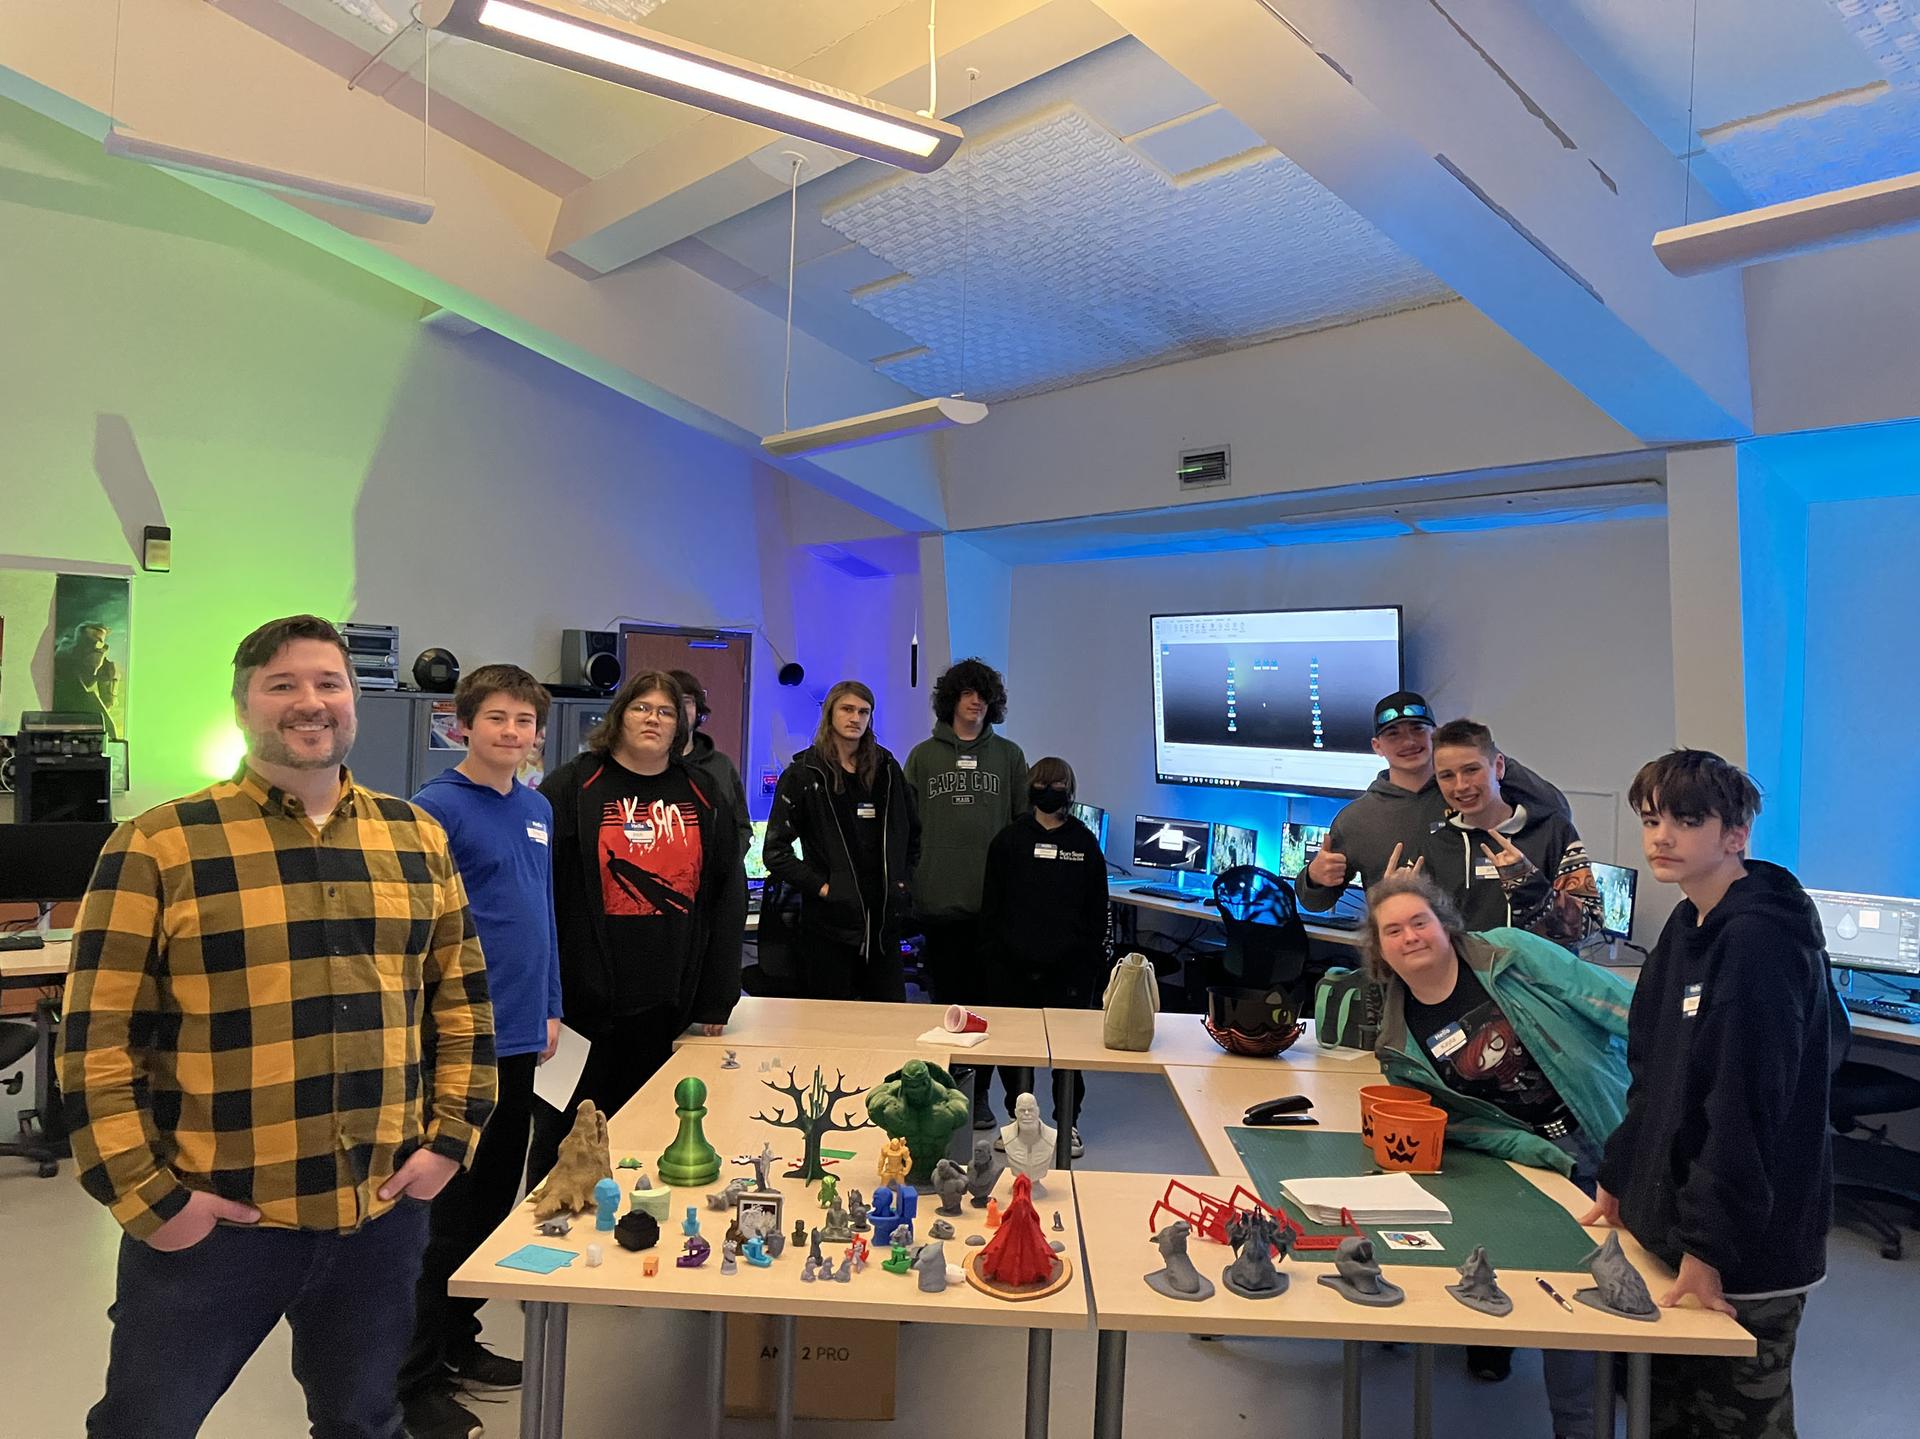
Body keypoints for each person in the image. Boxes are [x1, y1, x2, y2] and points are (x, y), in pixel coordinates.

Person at [57, 614, 496, 1439]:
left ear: (353, 702)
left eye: (329, 682)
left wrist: (450, 1142)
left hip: (380, 1210)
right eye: (282, 684)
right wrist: (153, 1199)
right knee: (144, 1426)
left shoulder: (416, 837)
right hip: (218, 1220)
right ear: (243, 706)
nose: (310, 702)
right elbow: (96, 1045)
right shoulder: (158, 843)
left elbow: (463, 1003)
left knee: (363, 1421)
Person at [1583, 750, 1833, 1437]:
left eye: (1687, 819)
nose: (1662, 836)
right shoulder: (1689, 924)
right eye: (1652, 818)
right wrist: (1618, 1177)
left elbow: (1745, 1106)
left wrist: (1709, 1249)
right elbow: (1653, 1075)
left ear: (1736, 833)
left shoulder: (1760, 940)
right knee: (1665, 1412)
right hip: (1683, 1231)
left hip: (1743, 1254)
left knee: (1734, 1421)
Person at [1364, 868, 1632, 1439]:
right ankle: (1578, 1427)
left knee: (1646, 1269)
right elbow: (1459, 1125)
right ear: (1380, 950)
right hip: (1541, 1159)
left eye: (1420, 921)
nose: (1411, 937)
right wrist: (1530, 1149)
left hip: (1612, 1128)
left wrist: (1689, 1057)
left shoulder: (1508, 955)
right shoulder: (1398, 1043)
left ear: (1445, 924)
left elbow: (1610, 1001)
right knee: (1573, 1291)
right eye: (1394, 931)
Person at [398, 664, 565, 1439]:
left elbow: (542, 914)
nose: (512, 733)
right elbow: (416, 928)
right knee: (446, 1210)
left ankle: (459, 1340)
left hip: (526, 1032)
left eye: (525, 721)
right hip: (463, 1037)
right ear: (464, 725)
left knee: (492, 1202)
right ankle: (413, 1375)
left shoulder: (535, 808)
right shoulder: (435, 809)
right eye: (496, 718)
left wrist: (553, 1002)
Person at [531, 670, 745, 1186]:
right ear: (619, 716)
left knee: (649, 1142)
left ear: (682, 725)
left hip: (668, 1003)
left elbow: (725, 892)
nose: (653, 719)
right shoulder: (574, 784)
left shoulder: (701, 788)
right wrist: (547, 997)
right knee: (566, 1146)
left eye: (666, 711)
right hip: (584, 1008)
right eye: (641, 708)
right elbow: (541, 894)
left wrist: (718, 997)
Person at [1294, 690, 1568, 914]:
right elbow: (1315, 902)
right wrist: (1315, 878)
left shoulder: (1469, 796)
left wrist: (1486, 757)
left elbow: (1557, 809)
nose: (1409, 741)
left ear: (1434, 735)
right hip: (1406, 959)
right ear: (1377, 746)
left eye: (1417, 729)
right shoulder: (1356, 820)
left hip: (1484, 956)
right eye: (1394, 734)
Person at [904, 657, 1028, 1128]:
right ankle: (950, 1094)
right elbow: (907, 827)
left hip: (994, 910)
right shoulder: (923, 756)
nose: (976, 701)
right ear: (951, 699)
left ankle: (980, 1097)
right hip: (939, 903)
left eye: (984, 695)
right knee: (948, 1009)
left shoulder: (1010, 756)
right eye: (967, 693)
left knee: (990, 1009)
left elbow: (1022, 827)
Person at [978, 756, 1107, 1159]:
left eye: (1058, 784)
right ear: (1031, 788)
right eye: (1042, 783)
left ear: (1069, 791)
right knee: (1017, 1051)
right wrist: (996, 958)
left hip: (1068, 970)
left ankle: (1067, 1124)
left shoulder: (1084, 844)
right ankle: (1019, 1124)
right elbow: (991, 909)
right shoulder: (1008, 840)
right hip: (1011, 967)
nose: (1049, 791)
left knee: (1068, 1054)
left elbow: (1096, 911)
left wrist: (1086, 963)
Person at [763, 680, 918, 1001]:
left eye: (864, 711)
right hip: (828, 927)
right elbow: (775, 852)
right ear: (830, 713)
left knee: (890, 1026)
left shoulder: (887, 769)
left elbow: (913, 832)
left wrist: (904, 882)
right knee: (830, 1030)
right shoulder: (804, 773)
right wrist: (824, 888)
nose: (855, 718)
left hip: (883, 925)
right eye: (847, 709)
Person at [1419, 718, 1603, 949]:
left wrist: (1529, 887)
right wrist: (1401, 899)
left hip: (1539, 983)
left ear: (1498, 767)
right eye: (1446, 775)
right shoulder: (1437, 844)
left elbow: (1590, 928)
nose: (1461, 786)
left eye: (1471, 770)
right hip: (1465, 983)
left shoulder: (1553, 832)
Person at [669, 668, 752, 859]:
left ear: (698, 710)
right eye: (671, 702)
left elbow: (742, 828)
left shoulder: (721, 766)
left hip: (714, 880)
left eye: (686, 701)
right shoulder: (647, 766)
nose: (679, 709)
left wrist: (721, 867)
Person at [53, 620, 121, 739]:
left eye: (100, 642)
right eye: (93, 640)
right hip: (66, 694)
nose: (97, 646)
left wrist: (110, 689)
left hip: (80, 694)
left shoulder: (105, 665)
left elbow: (108, 701)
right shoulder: (63, 654)